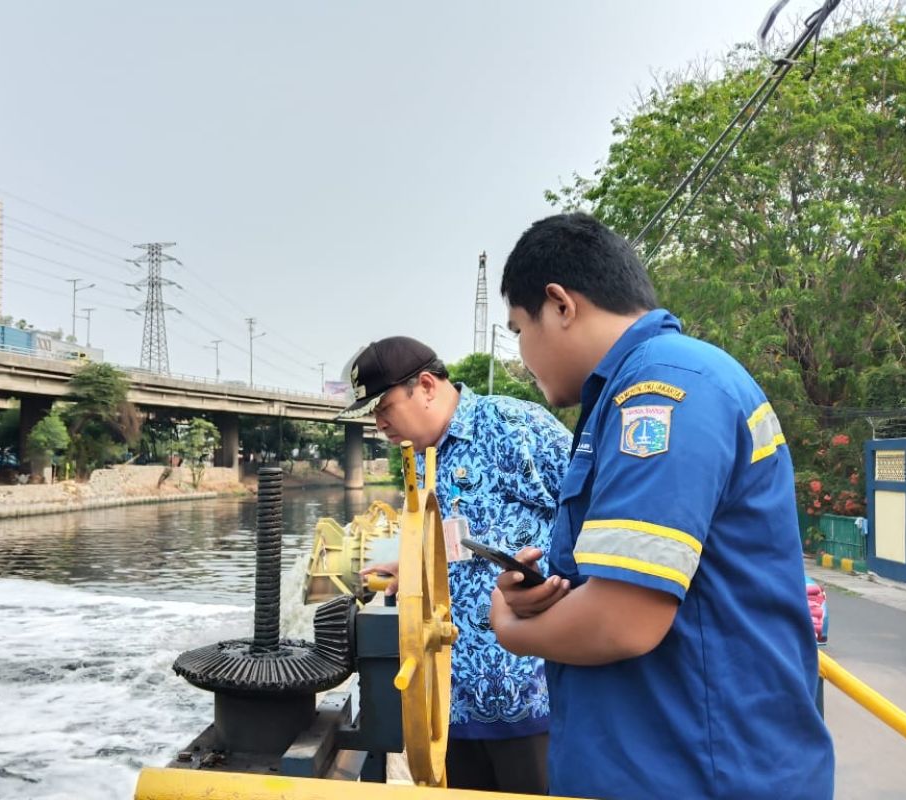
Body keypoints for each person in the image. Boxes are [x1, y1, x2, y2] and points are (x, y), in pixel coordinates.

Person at [488, 212, 834, 799]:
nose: (522, 354)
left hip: (701, 771)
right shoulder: (647, 388)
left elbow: (625, 619)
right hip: (668, 760)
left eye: (519, 328)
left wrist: (511, 628)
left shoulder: (661, 393)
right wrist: (546, 594)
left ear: (560, 305)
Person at [339, 335, 570, 793]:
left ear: (426, 385)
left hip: (528, 692)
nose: (379, 423)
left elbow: (594, 507)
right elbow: (464, 531)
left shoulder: (515, 427)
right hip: (449, 694)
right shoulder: (420, 456)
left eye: (383, 407)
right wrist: (413, 565)